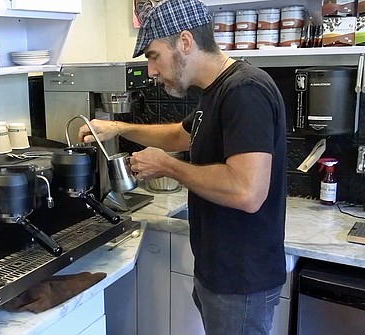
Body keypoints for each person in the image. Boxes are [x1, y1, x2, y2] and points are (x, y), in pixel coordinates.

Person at [78, 0, 287, 334]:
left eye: (153, 55)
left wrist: (168, 167)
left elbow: (248, 191)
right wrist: (118, 128)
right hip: (218, 270)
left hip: (241, 280)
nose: (151, 70)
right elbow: (181, 134)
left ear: (185, 42)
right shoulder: (215, 90)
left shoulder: (245, 91)